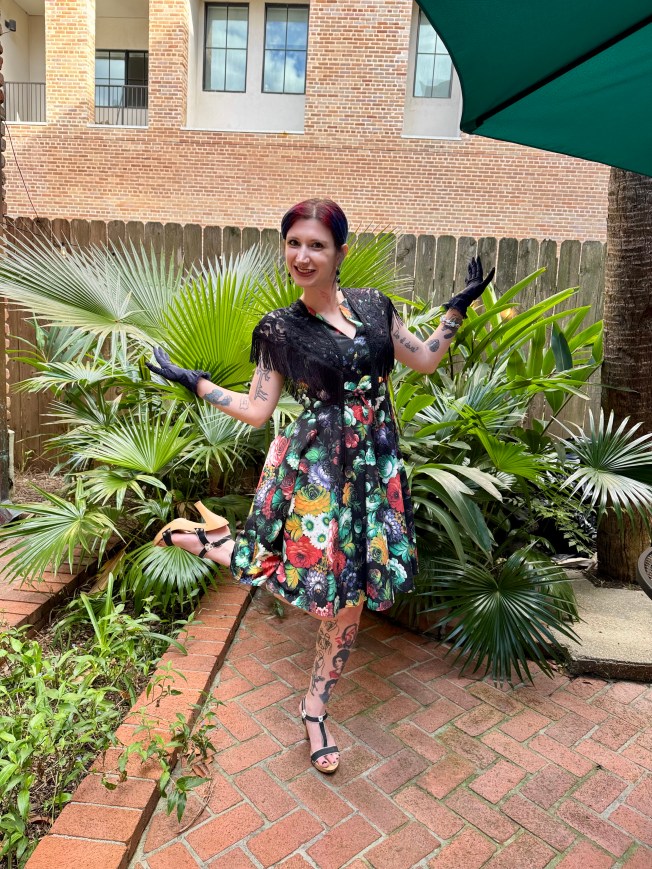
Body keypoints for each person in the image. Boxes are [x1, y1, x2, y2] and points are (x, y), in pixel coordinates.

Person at [147, 198, 494, 774]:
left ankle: (314, 710)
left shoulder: (376, 306)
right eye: (293, 243)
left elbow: (425, 360)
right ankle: (211, 543)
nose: (302, 256)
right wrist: (197, 384)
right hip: (319, 473)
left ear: (340, 253)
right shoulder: (279, 329)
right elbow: (257, 409)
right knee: (320, 588)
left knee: (350, 597)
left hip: (373, 471)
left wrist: (455, 312)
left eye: (316, 245)